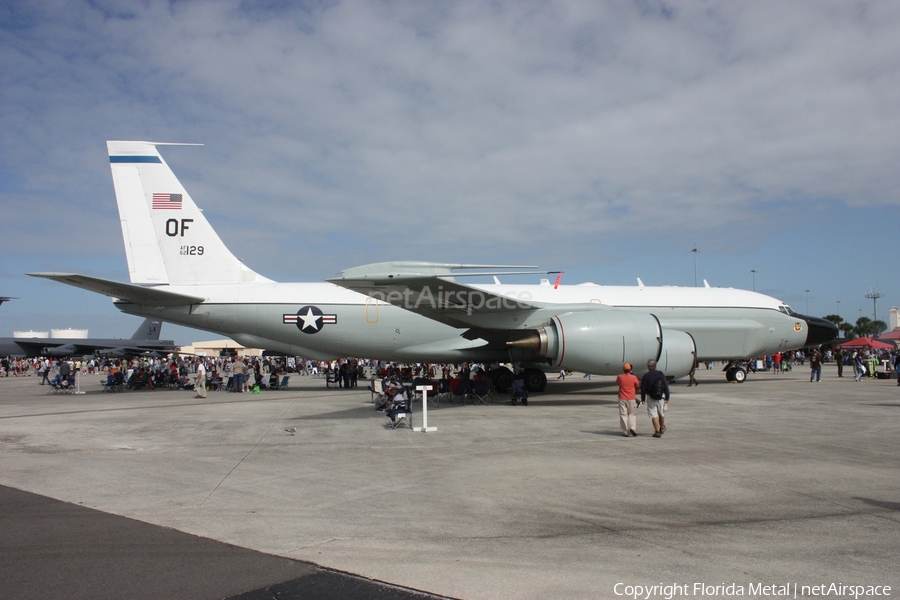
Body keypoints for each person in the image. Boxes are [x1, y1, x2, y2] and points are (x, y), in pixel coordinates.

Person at [640, 359, 670, 438]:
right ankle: (662, 427)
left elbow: (643, 388)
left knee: (653, 414)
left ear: (648, 367)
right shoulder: (660, 374)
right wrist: (667, 396)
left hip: (651, 397)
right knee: (661, 413)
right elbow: (665, 386)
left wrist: (643, 398)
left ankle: (657, 431)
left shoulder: (646, 376)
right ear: (655, 366)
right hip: (661, 397)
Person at [615, 363, 641, 437]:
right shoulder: (634, 377)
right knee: (632, 414)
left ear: (623, 369)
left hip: (622, 398)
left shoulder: (620, 377)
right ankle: (632, 428)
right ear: (630, 369)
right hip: (631, 398)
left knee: (623, 414)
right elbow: (638, 385)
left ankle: (625, 431)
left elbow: (617, 383)